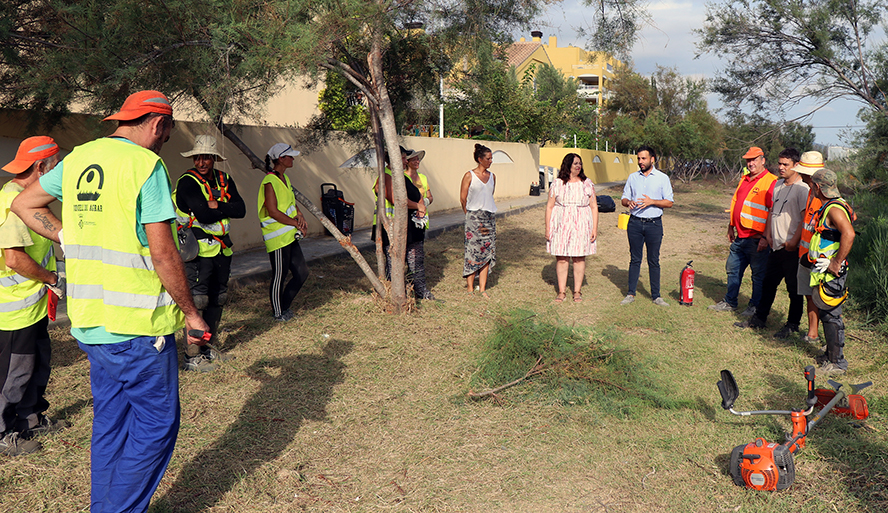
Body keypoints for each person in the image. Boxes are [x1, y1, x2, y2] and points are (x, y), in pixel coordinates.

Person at [11, 90, 209, 512]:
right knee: (156, 426)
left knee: (112, 424)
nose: (167, 139)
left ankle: (103, 505)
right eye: (169, 130)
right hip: (138, 328)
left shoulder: (80, 158)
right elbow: (164, 252)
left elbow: (23, 202)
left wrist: (68, 236)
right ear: (158, 123)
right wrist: (191, 314)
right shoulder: (145, 165)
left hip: (90, 323)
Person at [0, 137, 67, 457]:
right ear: (41, 167)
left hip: (34, 305)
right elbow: (13, 259)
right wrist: (51, 278)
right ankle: (3, 431)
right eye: (56, 166)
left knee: (37, 367)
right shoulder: (12, 202)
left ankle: (30, 419)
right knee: (13, 373)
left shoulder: (28, 198)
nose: (59, 173)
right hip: (14, 311)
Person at [173, 135, 246, 371]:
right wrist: (222, 207)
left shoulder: (224, 179)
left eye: (206, 157)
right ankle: (192, 356)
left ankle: (209, 349)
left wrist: (217, 206)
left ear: (214, 158)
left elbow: (242, 209)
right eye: (198, 157)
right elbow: (203, 215)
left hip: (222, 250)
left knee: (219, 298)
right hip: (198, 252)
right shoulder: (188, 182)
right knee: (198, 301)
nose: (201, 162)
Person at [734, 148, 808, 337]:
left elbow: (803, 219)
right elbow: (771, 213)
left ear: (796, 165)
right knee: (768, 284)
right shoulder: (777, 185)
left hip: (791, 248)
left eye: (786, 164)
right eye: (780, 163)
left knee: (794, 290)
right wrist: (766, 236)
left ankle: (792, 325)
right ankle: (759, 319)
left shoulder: (802, 189)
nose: (781, 168)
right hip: (775, 246)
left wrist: (794, 241)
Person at [710, 146, 777, 315]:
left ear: (763, 160)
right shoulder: (745, 178)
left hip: (757, 239)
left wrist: (765, 236)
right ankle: (730, 301)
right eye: (748, 160)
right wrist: (731, 225)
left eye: (754, 159)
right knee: (733, 269)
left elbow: (771, 211)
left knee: (758, 277)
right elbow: (736, 202)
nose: (751, 163)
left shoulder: (771, 181)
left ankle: (755, 307)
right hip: (740, 237)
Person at [807, 168, 855, 375]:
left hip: (831, 272)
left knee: (831, 316)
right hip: (823, 270)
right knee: (827, 313)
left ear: (818, 187)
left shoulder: (834, 209)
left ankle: (837, 363)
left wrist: (836, 262)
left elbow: (849, 234)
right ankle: (829, 355)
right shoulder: (834, 205)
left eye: (812, 186)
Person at [259, 143, 309, 321]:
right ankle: (278, 312)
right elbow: (272, 211)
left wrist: (300, 214)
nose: (293, 159)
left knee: (302, 272)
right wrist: (295, 223)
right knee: (279, 275)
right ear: (281, 158)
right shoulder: (270, 181)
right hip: (278, 237)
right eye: (290, 156)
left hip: (288, 235)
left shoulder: (285, 179)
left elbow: (290, 203)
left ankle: (284, 305)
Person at [620, 145, 674, 306]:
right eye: (638, 158)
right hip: (635, 223)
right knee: (635, 259)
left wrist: (652, 202)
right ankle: (631, 293)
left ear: (652, 159)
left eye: (643, 158)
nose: (640, 162)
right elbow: (623, 198)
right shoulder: (632, 177)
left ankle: (656, 295)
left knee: (653, 260)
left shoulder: (662, 178)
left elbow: (669, 202)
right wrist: (628, 202)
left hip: (654, 224)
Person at [545, 153, 599, 302]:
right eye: (575, 163)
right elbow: (549, 207)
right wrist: (548, 228)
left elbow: (594, 207)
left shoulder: (587, 183)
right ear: (567, 164)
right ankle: (561, 292)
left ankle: (577, 291)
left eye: (579, 163)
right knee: (562, 258)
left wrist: (594, 228)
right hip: (561, 223)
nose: (578, 166)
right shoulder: (557, 183)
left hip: (581, 223)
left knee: (579, 257)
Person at [371, 146, 427, 284]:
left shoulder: (403, 176)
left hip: (409, 227)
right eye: (402, 158)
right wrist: (418, 206)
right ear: (393, 160)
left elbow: (418, 194)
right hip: (391, 227)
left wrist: (421, 204)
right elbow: (396, 200)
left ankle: (419, 290)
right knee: (395, 264)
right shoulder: (385, 176)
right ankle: (396, 293)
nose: (405, 161)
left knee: (416, 261)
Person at [793, 151, 826, 345]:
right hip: (805, 255)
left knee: (820, 298)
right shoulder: (809, 190)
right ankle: (812, 333)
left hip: (819, 259)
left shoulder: (824, 195)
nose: (802, 175)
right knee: (809, 296)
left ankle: (825, 338)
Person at [460, 144, 496, 298]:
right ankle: (470, 288)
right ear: (480, 159)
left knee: (487, 251)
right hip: (473, 218)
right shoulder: (469, 175)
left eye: (491, 158)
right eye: (488, 158)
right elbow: (463, 198)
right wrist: (469, 215)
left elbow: (490, 195)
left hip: (489, 218)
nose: (491, 161)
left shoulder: (492, 176)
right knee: (472, 252)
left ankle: (482, 289)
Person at [404, 148, 435, 300]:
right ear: (406, 161)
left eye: (418, 159)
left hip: (420, 220)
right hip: (406, 218)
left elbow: (430, 195)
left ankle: (417, 287)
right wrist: (417, 205)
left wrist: (424, 204)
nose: (417, 162)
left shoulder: (422, 177)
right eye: (414, 159)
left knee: (417, 255)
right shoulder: (402, 177)